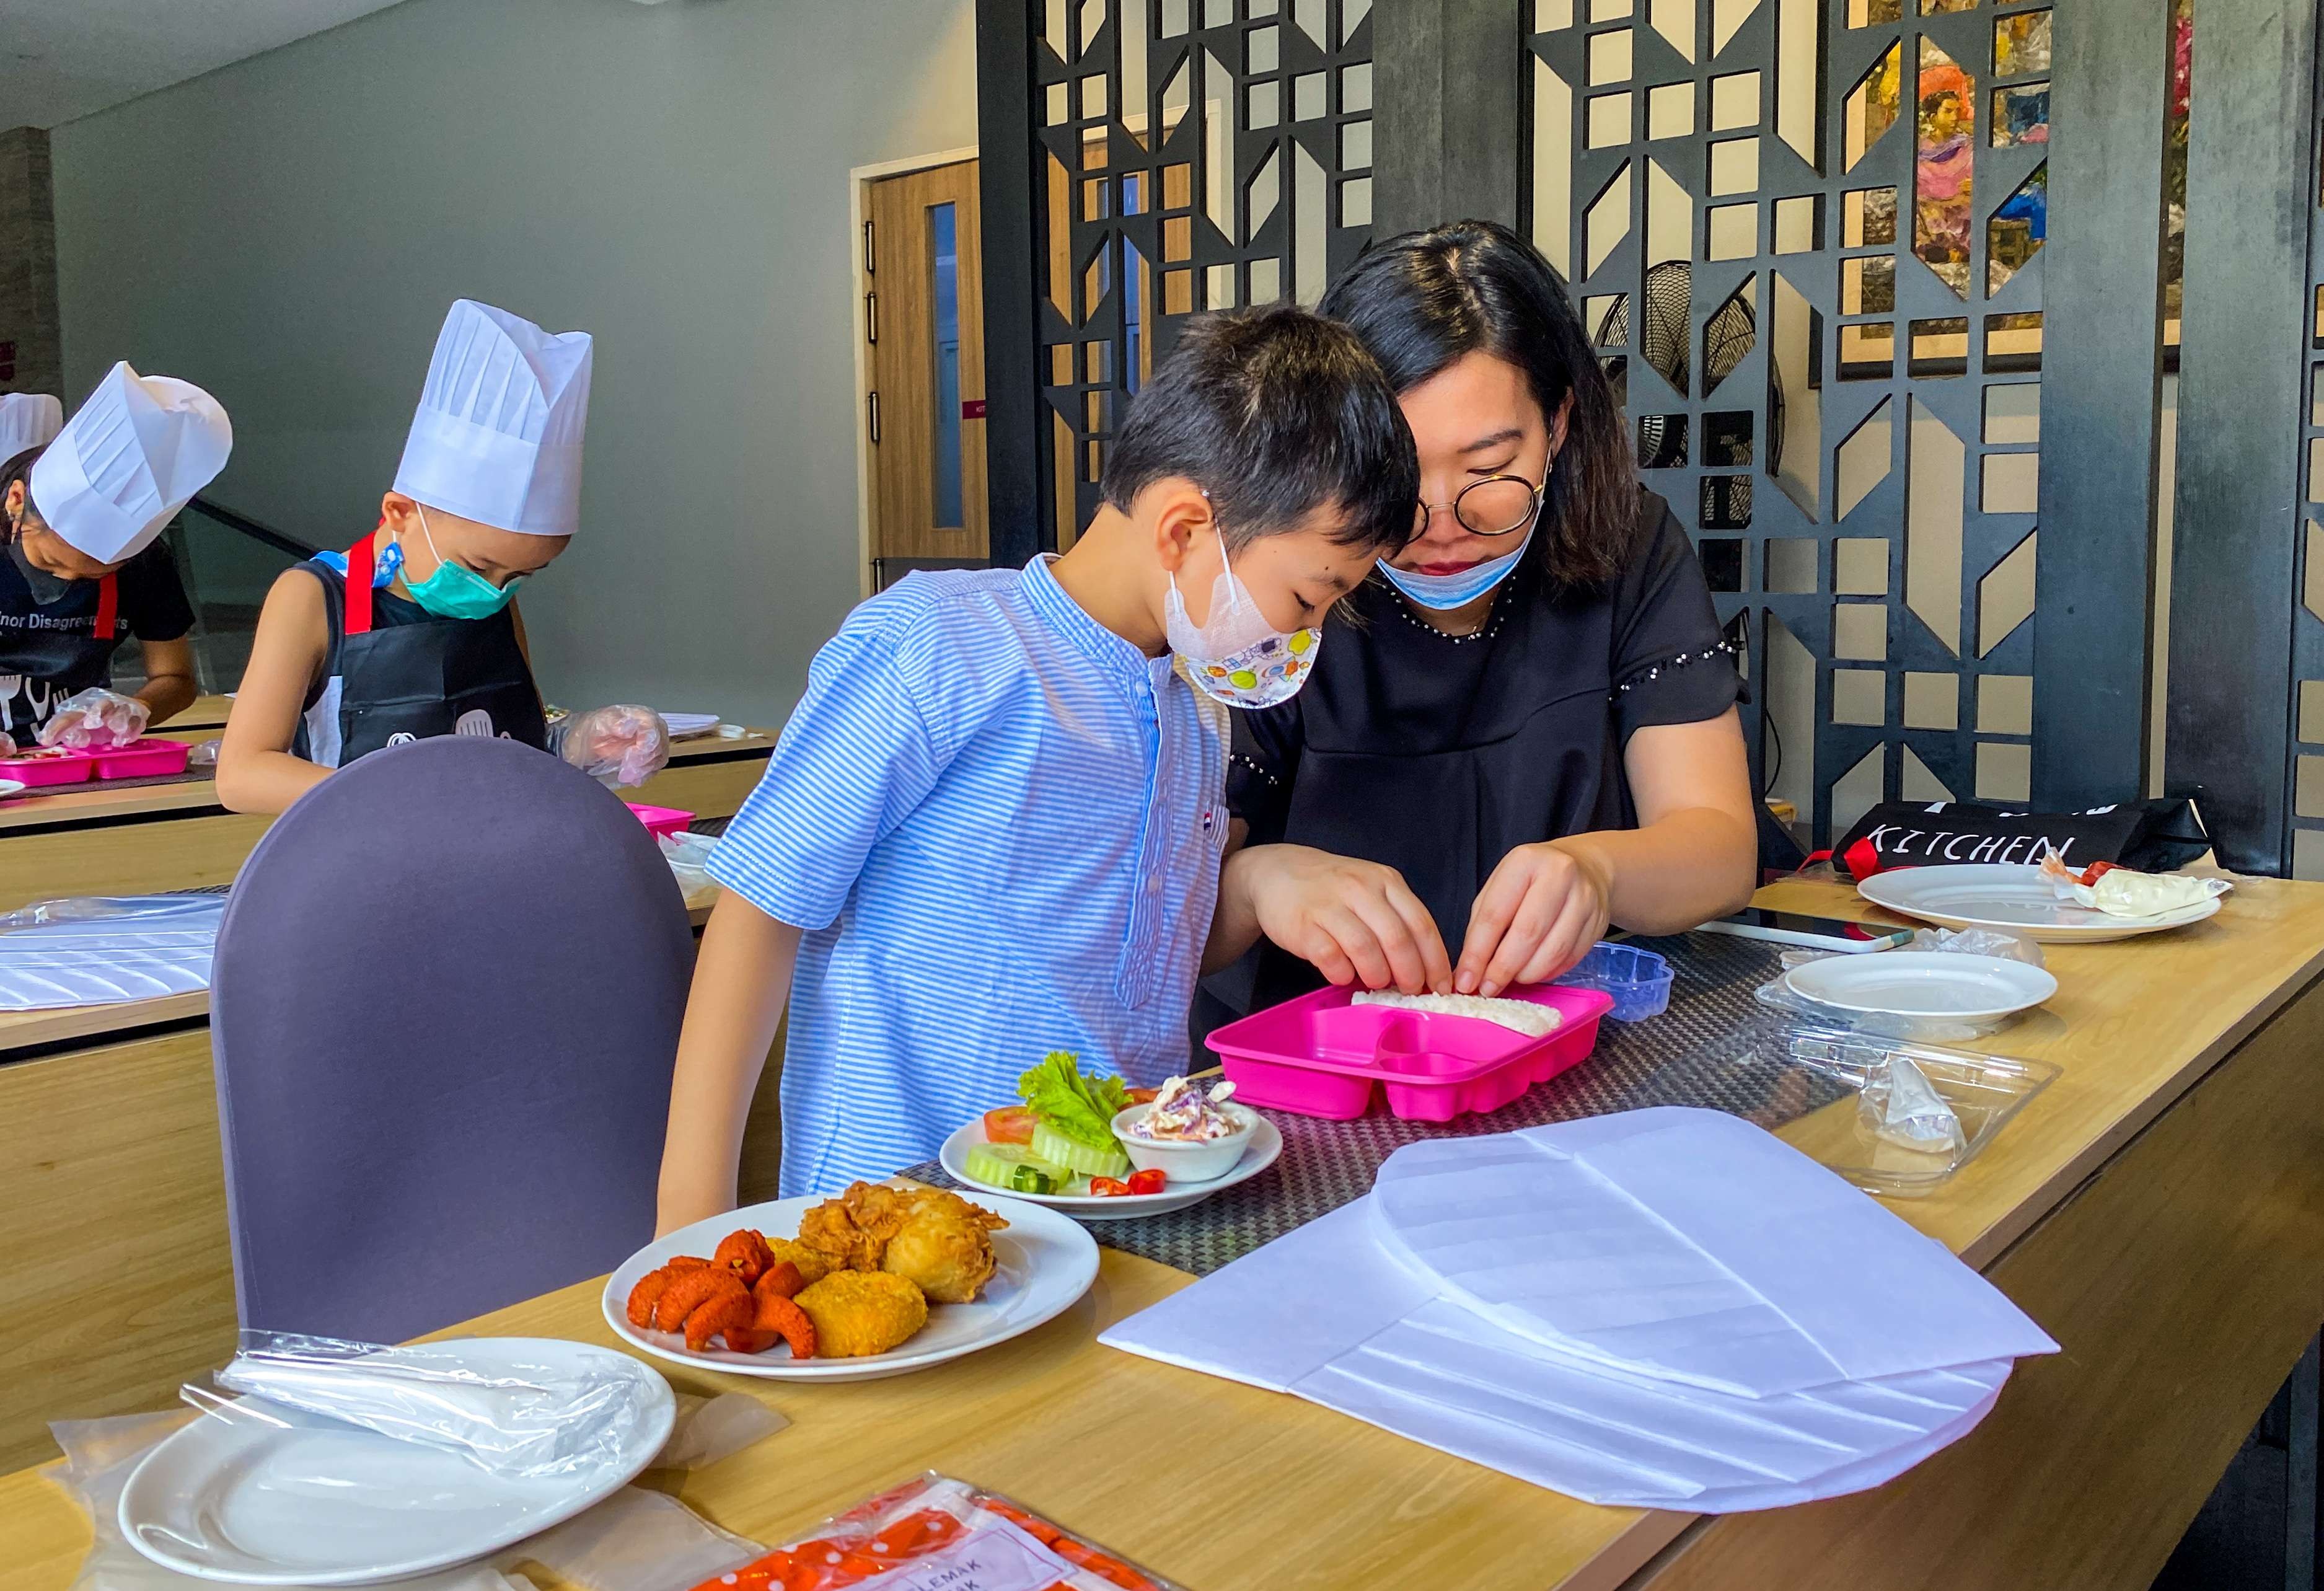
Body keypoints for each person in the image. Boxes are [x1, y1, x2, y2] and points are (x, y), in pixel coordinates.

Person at [654, 304, 1421, 1228]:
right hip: (889, 1209)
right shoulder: (939, 643)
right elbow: (762, 904)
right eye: (1309, 594)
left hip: (1100, 1212)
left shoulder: (1192, 711)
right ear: (1183, 530)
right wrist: (690, 1215)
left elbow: (1141, 945)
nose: (1309, 632)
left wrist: (1259, 887)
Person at [1204, 221, 1759, 1018]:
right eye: (1395, 473)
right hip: (1316, 1069)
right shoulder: (1285, 580)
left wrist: (1599, 871)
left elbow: (1718, 846)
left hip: (1558, 1049)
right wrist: (1261, 882)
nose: (1438, 521)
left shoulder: (1630, 545)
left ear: (1559, 425)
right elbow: (1161, 920)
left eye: (1490, 468)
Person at [217, 299, 671, 814]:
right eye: (478, 568)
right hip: (360, 868)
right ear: (399, 512)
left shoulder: (492, 602)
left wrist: (578, 743)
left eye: (522, 576)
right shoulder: (312, 598)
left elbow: (516, 743)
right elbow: (243, 774)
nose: (495, 590)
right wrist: (407, 793)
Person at [0, 371, 226, 749]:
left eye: (98, 573)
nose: (68, 582)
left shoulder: (148, 566)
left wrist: (135, 707)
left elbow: (175, 677)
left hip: (76, 757)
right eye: (52, 563)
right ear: (17, 502)